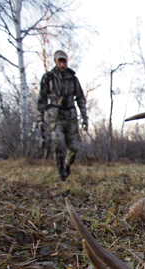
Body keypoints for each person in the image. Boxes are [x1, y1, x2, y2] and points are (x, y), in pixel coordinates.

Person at [37, 50, 88, 181]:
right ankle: (62, 174)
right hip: (56, 117)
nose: (62, 63)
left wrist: (84, 118)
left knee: (75, 147)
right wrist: (40, 119)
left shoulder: (73, 79)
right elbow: (42, 100)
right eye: (59, 60)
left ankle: (67, 165)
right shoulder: (48, 78)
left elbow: (80, 99)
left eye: (64, 60)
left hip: (71, 117)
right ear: (55, 61)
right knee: (58, 144)